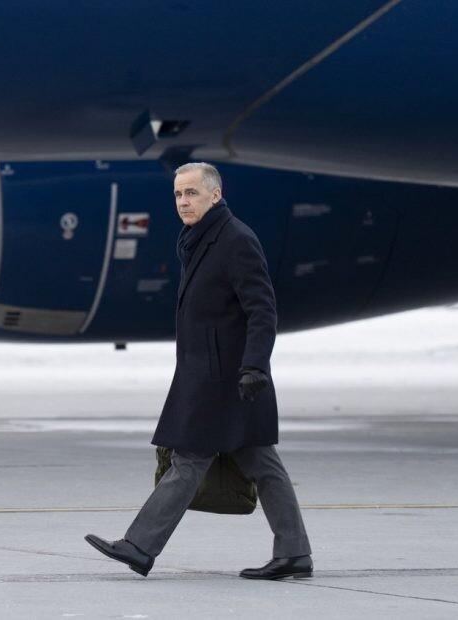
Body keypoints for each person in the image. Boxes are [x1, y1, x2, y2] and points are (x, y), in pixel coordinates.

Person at [85, 162, 312, 580]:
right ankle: (294, 552)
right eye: (178, 194)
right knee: (259, 462)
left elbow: (262, 309)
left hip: (231, 379)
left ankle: (139, 546)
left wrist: (254, 366)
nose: (183, 202)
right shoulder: (199, 239)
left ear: (215, 194)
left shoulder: (236, 240)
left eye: (191, 193)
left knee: (189, 459)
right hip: (211, 373)